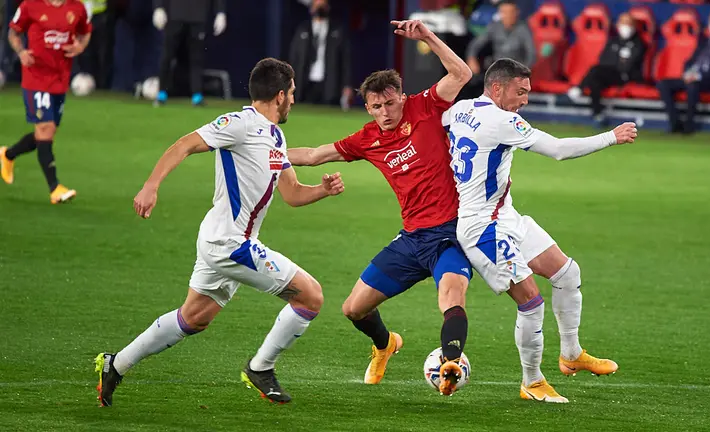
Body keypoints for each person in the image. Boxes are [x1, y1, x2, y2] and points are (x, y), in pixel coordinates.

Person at [94, 58, 345, 407]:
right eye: (291, 94)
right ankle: (261, 367)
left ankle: (115, 364)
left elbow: (292, 194)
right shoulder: (239, 123)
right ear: (278, 96)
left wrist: (322, 190)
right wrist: (151, 186)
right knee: (311, 296)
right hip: (230, 243)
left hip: (225, 240)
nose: (293, 100)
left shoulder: (275, 135)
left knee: (194, 317)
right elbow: (184, 144)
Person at [288, 19, 473, 396]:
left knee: (452, 296)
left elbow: (462, 73)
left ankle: (451, 361)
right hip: (410, 240)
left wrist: (428, 38)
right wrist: (259, 149)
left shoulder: (426, 106)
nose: (386, 112)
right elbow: (311, 155)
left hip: (450, 234)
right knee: (353, 309)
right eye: (377, 106)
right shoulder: (367, 139)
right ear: (368, 108)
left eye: (390, 102)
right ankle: (385, 343)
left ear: (401, 97)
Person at [443, 58, 630, 403]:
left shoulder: (459, 109)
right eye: (521, 91)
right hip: (484, 228)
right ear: (497, 88)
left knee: (567, 272)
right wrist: (611, 137)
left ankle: (571, 353)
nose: (525, 99)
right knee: (531, 302)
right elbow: (558, 150)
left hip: (505, 216)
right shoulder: (502, 120)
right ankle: (531, 381)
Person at [1, 0, 92, 204]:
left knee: (45, 133)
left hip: (60, 79)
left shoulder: (76, 8)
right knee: (46, 128)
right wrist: (21, 52)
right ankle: (55, 188)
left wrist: (80, 46)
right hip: (35, 78)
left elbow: (85, 31)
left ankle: (8, 154)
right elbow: (13, 32)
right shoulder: (30, 5)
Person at [657, 10, 710, 135]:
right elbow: (691, 61)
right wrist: (688, 73)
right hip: (693, 77)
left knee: (692, 85)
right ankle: (674, 122)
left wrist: (698, 76)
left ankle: (689, 125)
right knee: (663, 84)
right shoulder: (704, 41)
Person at [567, 13, 646, 125]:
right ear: (618, 25)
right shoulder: (613, 41)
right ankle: (598, 115)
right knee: (594, 81)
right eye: (623, 23)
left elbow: (628, 66)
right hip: (608, 74)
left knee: (595, 70)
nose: (625, 26)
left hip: (625, 77)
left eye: (628, 23)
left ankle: (579, 89)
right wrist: (618, 60)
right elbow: (603, 59)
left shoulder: (639, 44)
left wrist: (616, 62)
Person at [152, 0, 227, 106]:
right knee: (167, 56)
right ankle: (161, 93)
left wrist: (220, 12)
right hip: (174, 16)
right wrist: (158, 7)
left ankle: (197, 95)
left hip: (197, 17)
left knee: (196, 58)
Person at [459, 0, 535, 101]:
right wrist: (471, 58)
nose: (506, 16)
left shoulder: (523, 29)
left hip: (516, 70)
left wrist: (522, 73)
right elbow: (476, 44)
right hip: (496, 69)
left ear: (516, 13)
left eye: (509, 12)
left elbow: (531, 54)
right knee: (471, 80)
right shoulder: (495, 26)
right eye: (503, 12)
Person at [289, 0, 353, 108]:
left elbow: (346, 61)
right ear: (311, 8)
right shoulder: (303, 30)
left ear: (328, 7)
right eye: (317, 5)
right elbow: (294, 58)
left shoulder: (337, 31)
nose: (319, 7)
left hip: (330, 83)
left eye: (322, 5)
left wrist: (347, 85)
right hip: (305, 82)